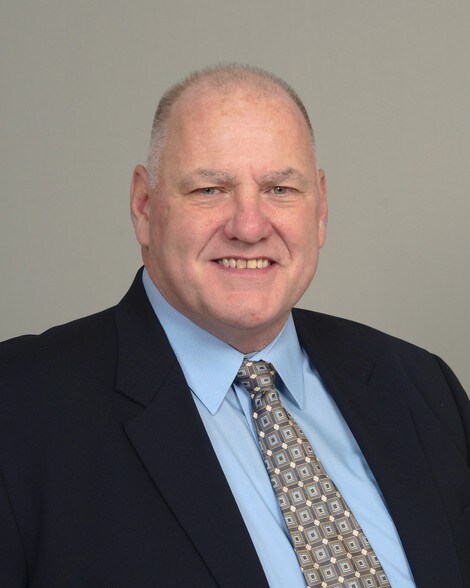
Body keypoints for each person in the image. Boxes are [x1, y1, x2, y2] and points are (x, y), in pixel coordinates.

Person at [0, 64, 469, 588]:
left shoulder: (420, 387)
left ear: (320, 209)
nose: (249, 226)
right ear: (144, 206)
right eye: (209, 189)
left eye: (280, 189)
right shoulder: (20, 406)